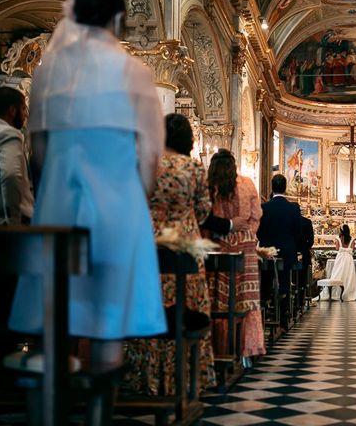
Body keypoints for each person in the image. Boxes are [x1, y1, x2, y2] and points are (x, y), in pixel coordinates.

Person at [9, 0, 166, 366]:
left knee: (53, 317)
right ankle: (100, 410)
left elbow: (38, 150)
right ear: (119, 18)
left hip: (59, 207)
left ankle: (49, 407)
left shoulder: (48, 71)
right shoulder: (136, 73)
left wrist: (57, 191)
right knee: (107, 323)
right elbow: (149, 158)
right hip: (118, 211)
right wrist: (134, 200)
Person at [124, 113, 215, 395]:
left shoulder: (146, 165)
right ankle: (186, 378)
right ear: (188, 139)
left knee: (148, 308)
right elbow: (202, 211)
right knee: (186, 310)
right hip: (184, 244)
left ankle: (147, 377)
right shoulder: (195, 169)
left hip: (148, 242)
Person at [207, 149, 265, 359]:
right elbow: (256, 216)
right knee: (246, 298)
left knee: (218, 298)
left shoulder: (209, 186)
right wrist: (247, 233)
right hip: (245, 248)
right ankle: (247, 347)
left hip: (216, 245)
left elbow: (203, 216)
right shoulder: (247, 183)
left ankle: (220, 347)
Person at [258, 174, 302, 329]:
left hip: (267, 252)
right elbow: (298, 231)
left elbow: (259, 231)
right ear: (285, 187)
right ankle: (283, 316)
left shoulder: (264, 208)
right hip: (287, 252)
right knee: (285, 283)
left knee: (266, 282)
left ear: (272, 187)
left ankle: (264, 315)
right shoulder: (293, 208)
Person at [0, 87, 33, 226]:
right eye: (23, 108)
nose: (25, 114)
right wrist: (14, 222)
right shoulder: (9, 133)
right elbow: (10, 175)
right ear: (12, 111)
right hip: (12, 222)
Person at [320, 225, 356, 301]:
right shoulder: (352, 239)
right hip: (348, 258)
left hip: (340, 258)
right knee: (348, 274)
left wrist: (342, 248)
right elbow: (353, 249)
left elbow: (337, 248)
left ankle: (336, 292)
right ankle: (348, 292)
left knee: (337, 273)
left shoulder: (338, 238)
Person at [298, 215, 315, 307]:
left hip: (290, 252)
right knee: (302, 278)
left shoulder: (288, 220)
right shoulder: (307, 221)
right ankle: (300, 301)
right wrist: (304, 249)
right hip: (304, 254)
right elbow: (311, 240)